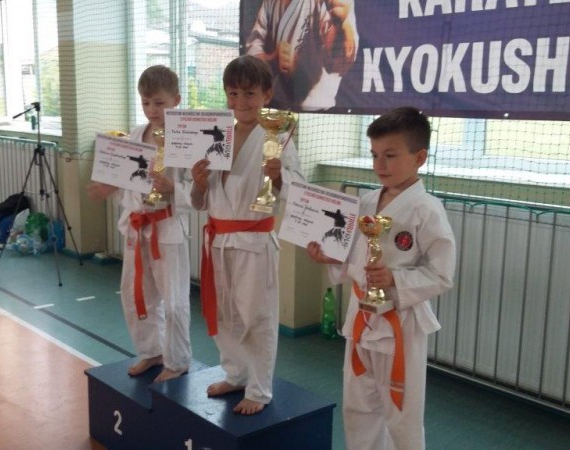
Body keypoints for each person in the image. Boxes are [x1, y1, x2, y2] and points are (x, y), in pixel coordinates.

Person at [306, 106, 456, 449]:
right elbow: (354, 257)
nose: (379, 164)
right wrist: (330, 256)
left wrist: (394, 280)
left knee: (402, 414)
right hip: (361, 318)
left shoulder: (427, 210)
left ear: (419, 157)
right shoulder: (366, 202)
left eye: (390, 155)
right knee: (358, 407)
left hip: (400, 323)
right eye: (374, 155)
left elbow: (442, 274)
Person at [191, 55, 305, 415]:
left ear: (267, 94)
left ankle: (259, 388)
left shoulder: (278, 136)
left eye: (250, 93)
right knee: (225, 312)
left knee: (257, 317)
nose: (240, 102)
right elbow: (199, 202)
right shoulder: (215, 133)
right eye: (233, 93)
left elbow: (299, 191)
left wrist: (280, 177)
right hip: (218, 239)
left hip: (254, 241)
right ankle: (236, 374)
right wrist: (198, 183)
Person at [87, 65, 193, 383]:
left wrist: (174, 188)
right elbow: (125, 178)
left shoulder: (187, 139)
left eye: (159, 103)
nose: (152, 110)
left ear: (176, 100)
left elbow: (201, 191)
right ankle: (151, 351)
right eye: (146, 103)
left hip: (167, 229)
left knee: (173, 302)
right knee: (135, 295)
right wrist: (107, 186)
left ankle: (178, 359)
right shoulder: (135, 136)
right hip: (136, 227)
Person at [245, 0, 359, 111]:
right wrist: (272, 60)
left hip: (316, 110)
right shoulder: (270, 2)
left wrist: (342, 26)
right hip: (277, 107)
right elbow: (252, 53)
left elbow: (339, 63)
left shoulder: (324, 3)